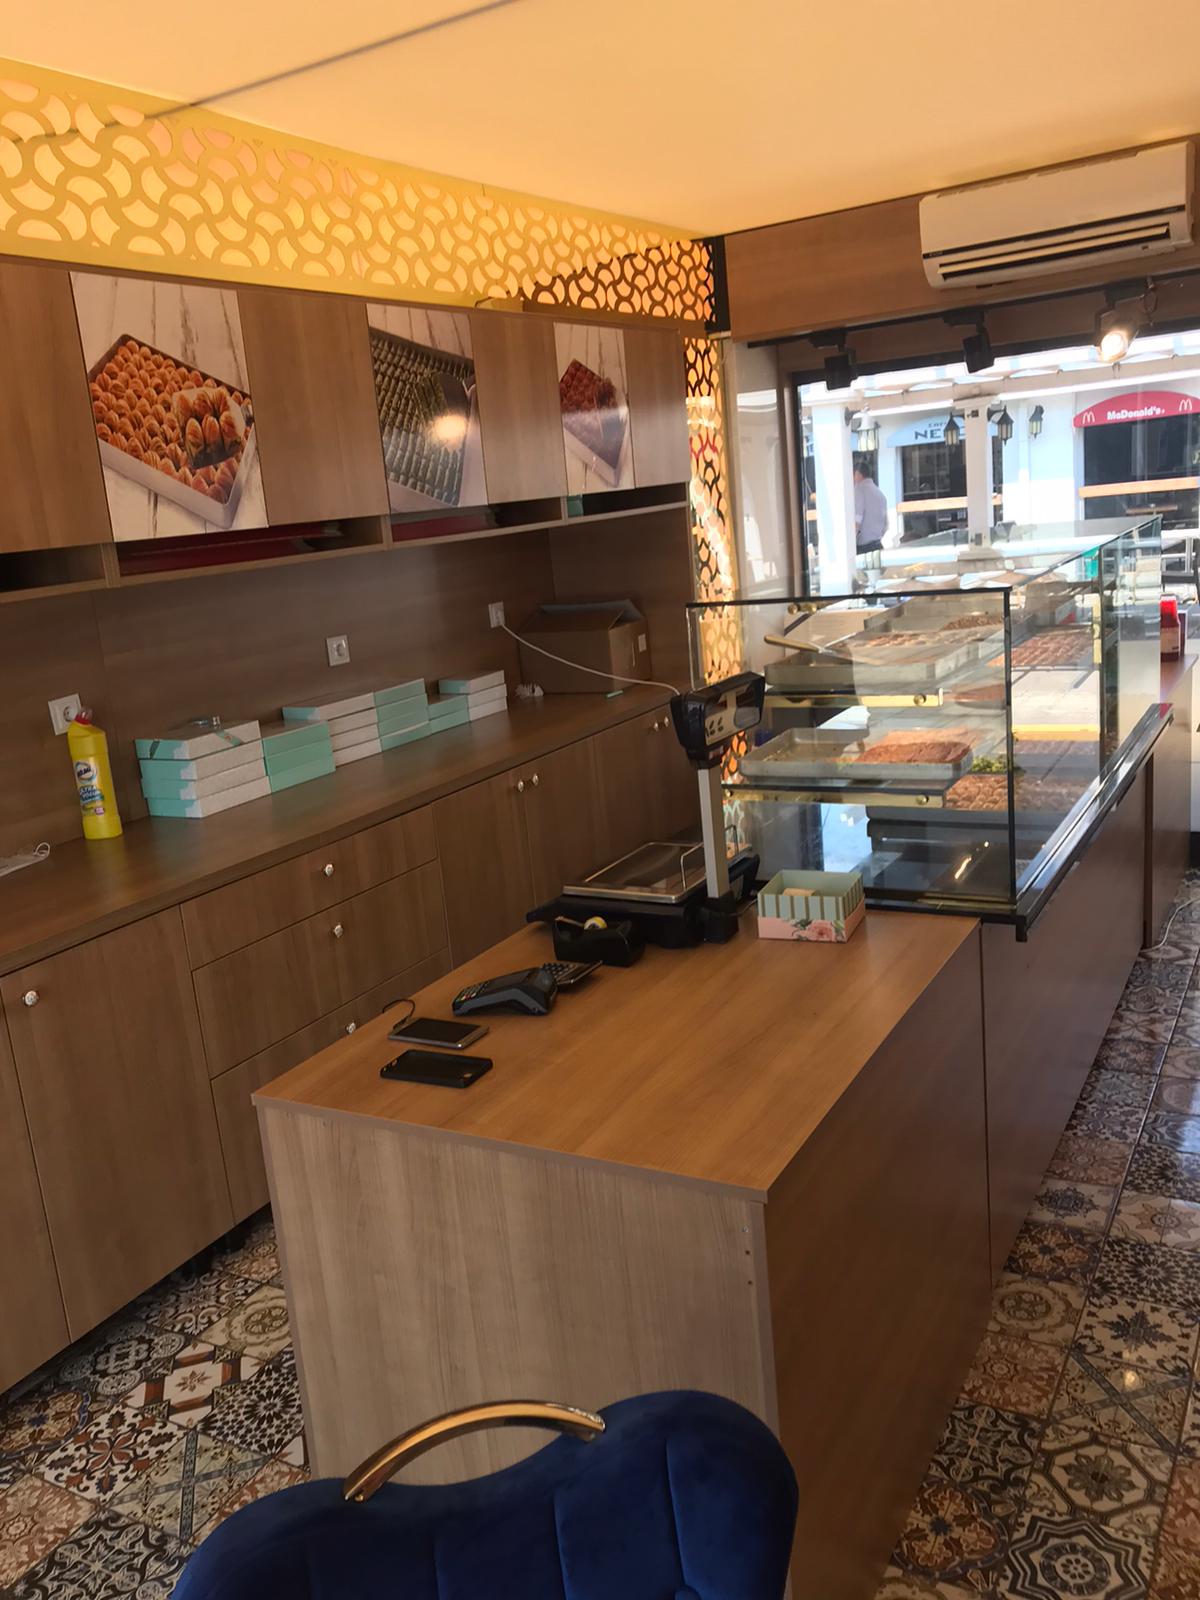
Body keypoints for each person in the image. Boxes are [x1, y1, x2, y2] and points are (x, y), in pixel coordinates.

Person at [853, 462, 889, 555]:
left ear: (857, 474)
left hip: (863, 547)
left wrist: (849, 541)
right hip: (878, 544)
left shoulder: (858, 490)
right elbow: (886, 525)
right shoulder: (880, 494)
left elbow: (857, 520)